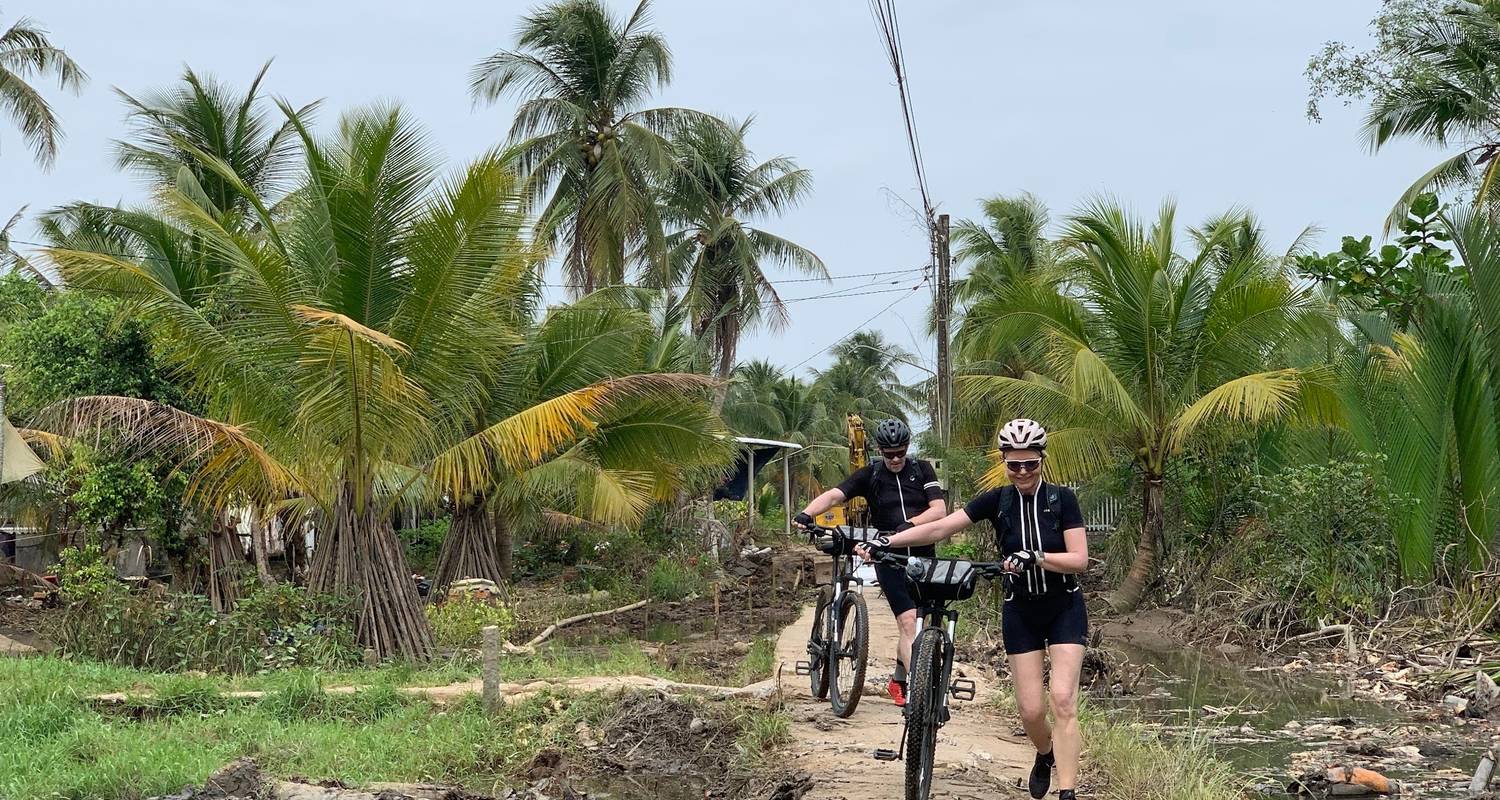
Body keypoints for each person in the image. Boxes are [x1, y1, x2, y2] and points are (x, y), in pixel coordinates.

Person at [858, 418, 1088, 800]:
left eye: (1030, 463)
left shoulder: (1061, 499)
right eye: (1014, 464)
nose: (1023, 472)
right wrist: (887, 541)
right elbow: (939, 529)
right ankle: (1045, 753)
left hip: (1063, 605)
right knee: (1031, 711)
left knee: (1062, 699)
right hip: (1021, 611)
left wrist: (1038, 557)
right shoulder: (996, 500)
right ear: (1004, 462)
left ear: (1042, 461)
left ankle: (1068, 792)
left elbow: (1079, 559)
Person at [792, 417, 945, 707]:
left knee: (926, 622)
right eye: (890, 454)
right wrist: (807, 514)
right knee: (908, 620)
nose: (896, 459)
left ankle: (899, 679)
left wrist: (910, 524)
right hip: (888, 555)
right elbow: (835, 495)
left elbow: (938, 509)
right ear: (880, 450)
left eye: (901, 452)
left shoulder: (922, 469)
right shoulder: (871, 475)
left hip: (924, 553)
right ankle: (919, 695)